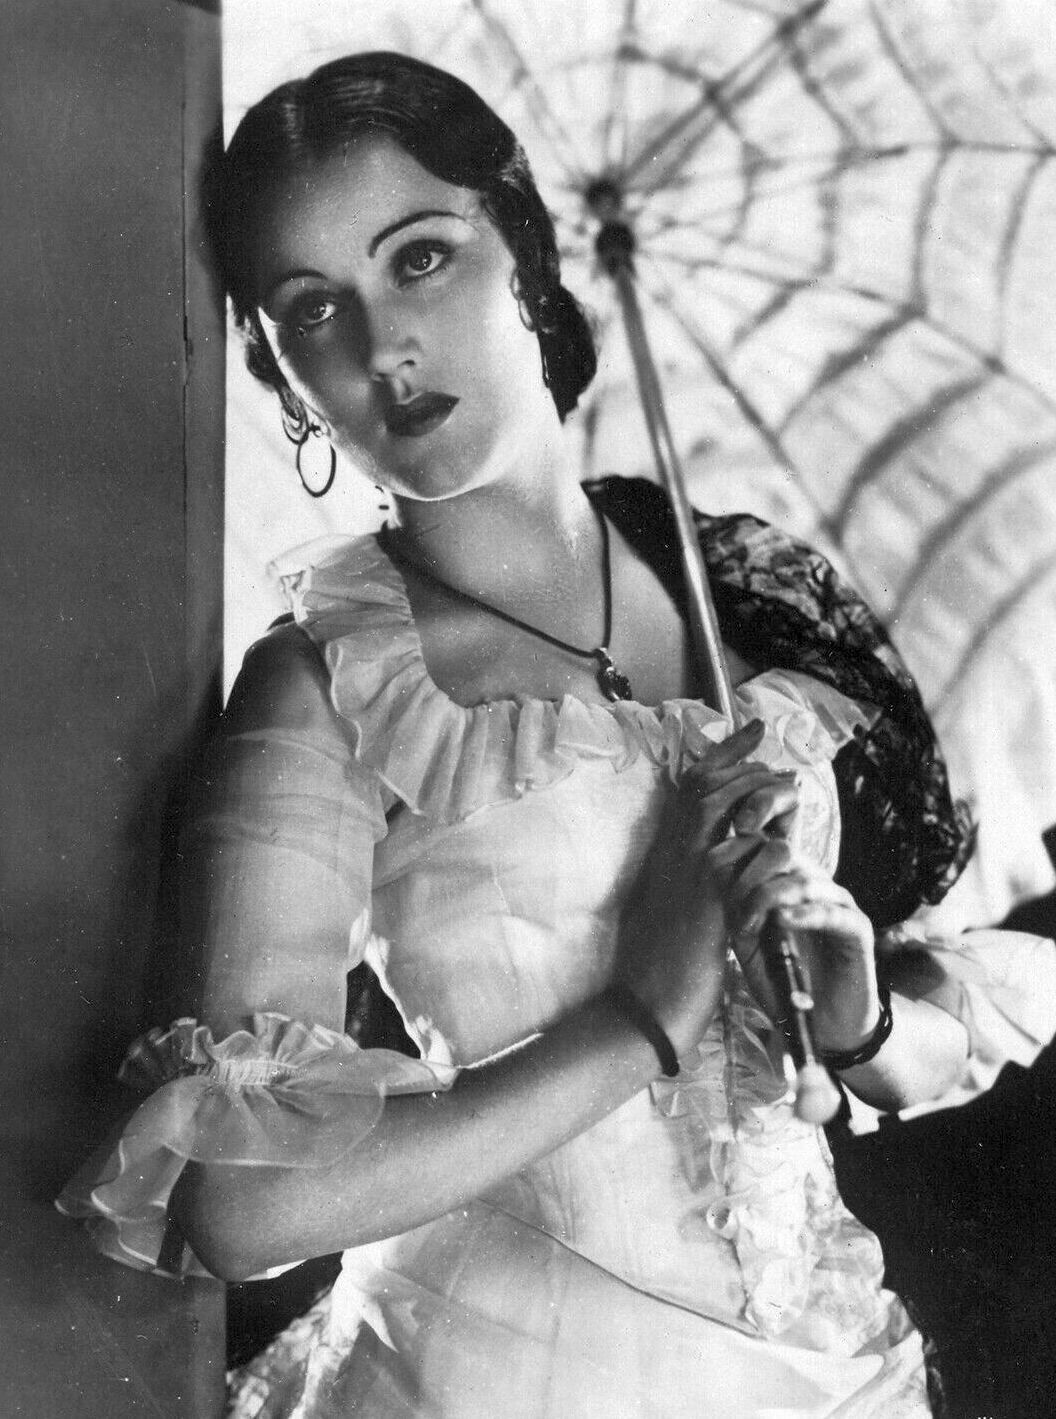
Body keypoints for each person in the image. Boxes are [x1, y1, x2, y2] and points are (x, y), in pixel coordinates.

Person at [58, 52, 1056, 1418]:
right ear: (286, 382)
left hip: (834, 1377)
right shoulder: (327, 685)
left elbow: (927, 1031)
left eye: (420, 258)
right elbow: (242, 1206)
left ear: (524, 257)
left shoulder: (736, 600)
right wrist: (643, 1017)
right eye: (313, 310)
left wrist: (861, 1017)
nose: (381, 345)